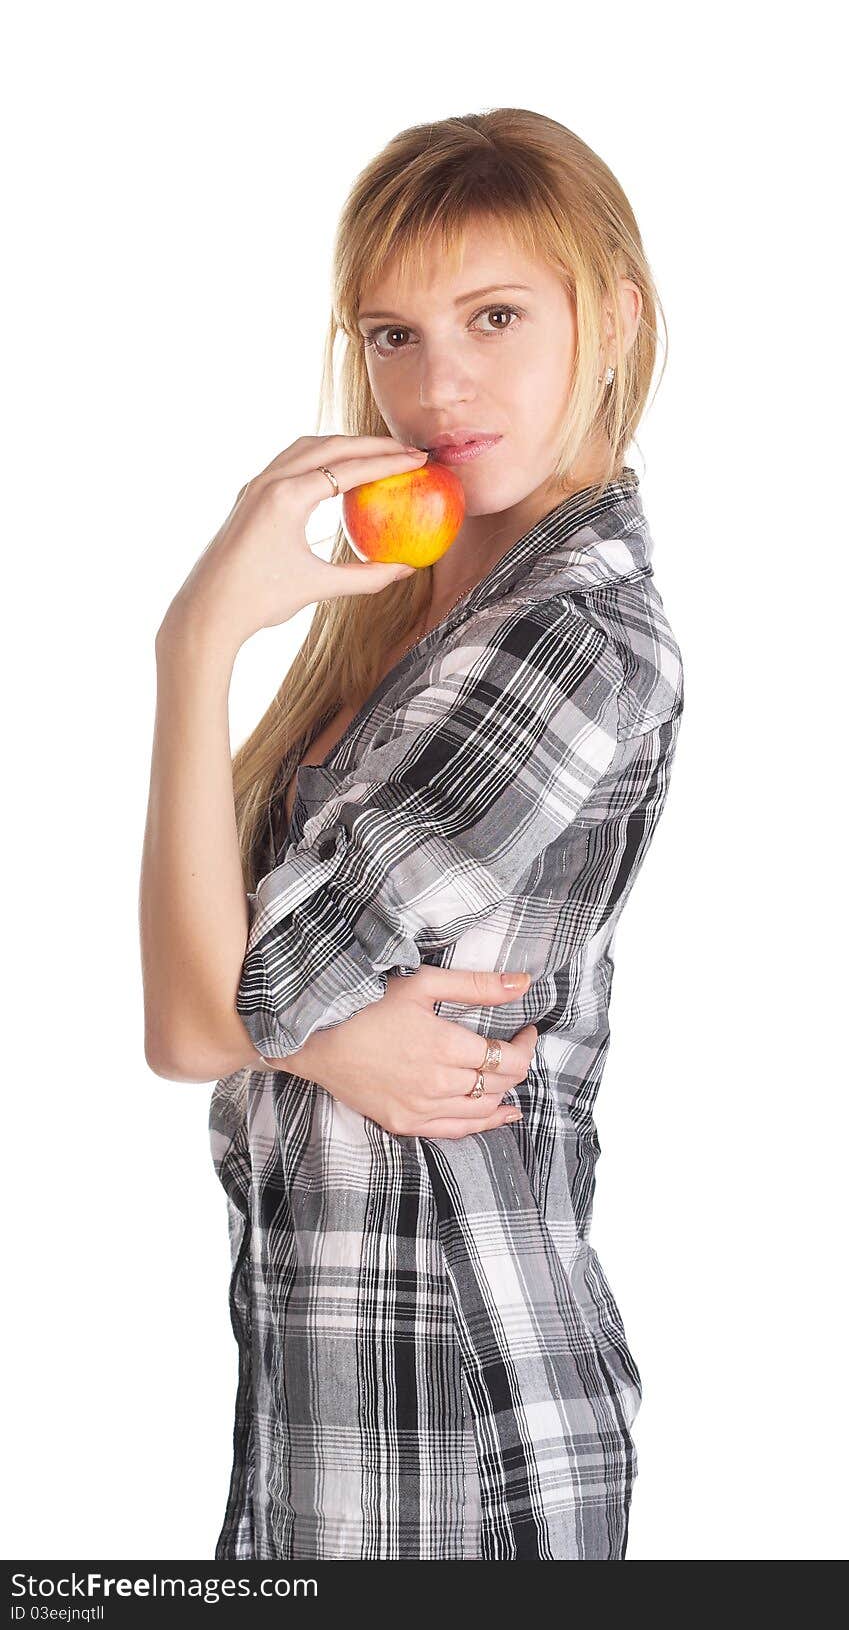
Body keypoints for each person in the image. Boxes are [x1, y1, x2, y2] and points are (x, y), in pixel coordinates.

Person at [140, 108, 685, 1562]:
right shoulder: (415, 612)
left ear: (613, 315)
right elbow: (226, 998)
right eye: (390, 335)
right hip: (320, 1403)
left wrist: (195, 645)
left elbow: (205, 1013)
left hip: (460, 1420)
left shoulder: (575, 634)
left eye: (493, 315)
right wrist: (315, 1030)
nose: (437, 383)